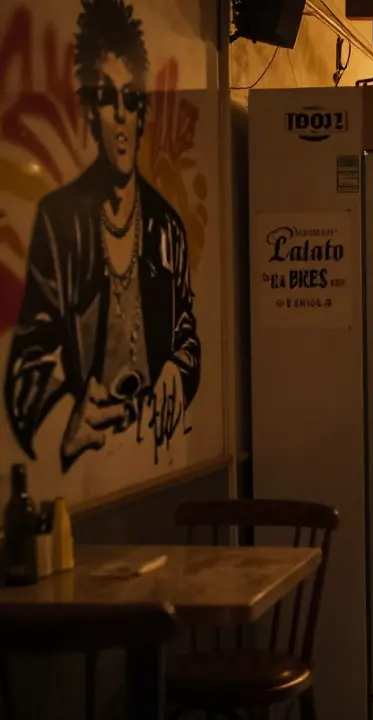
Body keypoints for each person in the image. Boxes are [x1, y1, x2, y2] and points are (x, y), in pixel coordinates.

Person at [5, 0, 200, 471]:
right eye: (107, 98)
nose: (120, 116)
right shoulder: (61, 219)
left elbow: (187, 333)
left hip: (155, 452)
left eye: (131, 99)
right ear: (91, 112)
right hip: (88, 464)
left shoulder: (166, 226)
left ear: (142, 113)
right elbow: (29, 358)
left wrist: (177, 368)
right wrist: (64, 421)